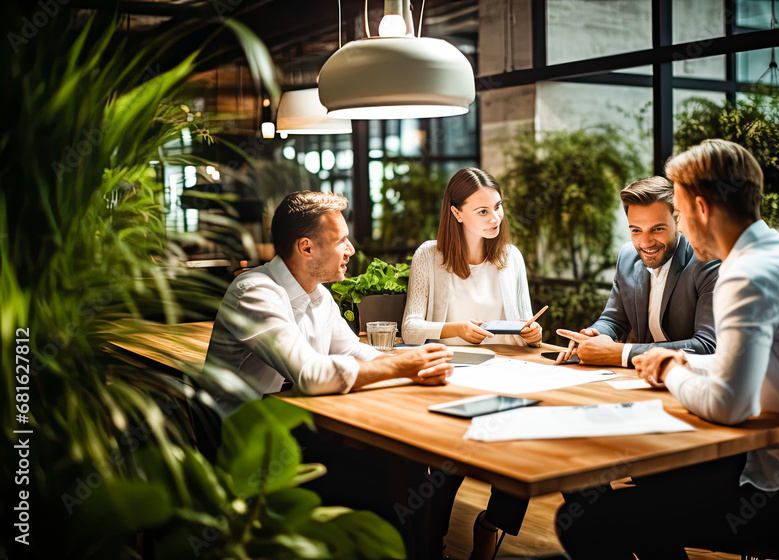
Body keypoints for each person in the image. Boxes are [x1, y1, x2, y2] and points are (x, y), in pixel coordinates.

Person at [556, 140, 779, 559]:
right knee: (654, 485)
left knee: (581, 519)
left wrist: (670, 370)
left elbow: (729, 404)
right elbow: (750, 361)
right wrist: (687, 361)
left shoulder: (744, 274)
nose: (680, 228)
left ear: (701, 208)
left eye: (679, 215)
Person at [205, 191, 456, 559]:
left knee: (412, 465)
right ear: (306, 247)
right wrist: (402, 365)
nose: (351, 249)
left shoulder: (319, 295)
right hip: (250, 450)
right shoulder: (255, 292)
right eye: (341, 241)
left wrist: (416, 368)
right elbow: (308, 375)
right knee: (389, 476)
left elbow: (356, 352)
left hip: (296, 430)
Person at [556, 176, 718, 367]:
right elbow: (613, 320)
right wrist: (595, 335)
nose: (645, 242)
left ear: (677, 222)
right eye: (636, 230)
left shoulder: (706, 261)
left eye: (657, 229)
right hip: (643, 379)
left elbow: (707, 346)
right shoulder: (627, 257)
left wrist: (620, 353)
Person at [402, 167, 542, 347]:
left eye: (497, 207)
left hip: (506, 363)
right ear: (457, 213)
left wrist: (534, 335)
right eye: (483, 211)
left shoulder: (511, 256)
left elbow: (528, 328)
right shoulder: (428, 256)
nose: (495, 218)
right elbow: (410, 330)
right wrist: (457, 329)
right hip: (450, 365)